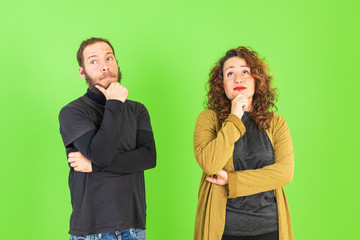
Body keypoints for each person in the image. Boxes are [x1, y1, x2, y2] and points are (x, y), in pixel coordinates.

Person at [59, 37, 156, 240]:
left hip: (134, 227)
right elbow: (101, 154)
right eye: (93, 61)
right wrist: (114, 103)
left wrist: (95, 166)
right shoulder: (73, 112)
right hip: (92, 231)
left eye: (109, 58)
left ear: (117, 64)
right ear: (82, 72)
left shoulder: (138, 110)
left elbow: (148, 158)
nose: (104, 66)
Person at [193, 47, 294, 240]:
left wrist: (231, 181)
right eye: (230, 73)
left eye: (245, 72)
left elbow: (284, 173)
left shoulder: (276, 123)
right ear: (222, 84)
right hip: (224, 230)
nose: (238, 79)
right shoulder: (208, 119)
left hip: (269, 228)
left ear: (256, 79)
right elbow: (210, 164)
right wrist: (234, 118)